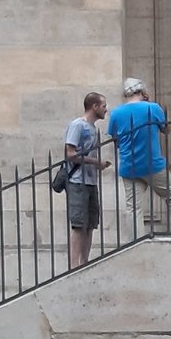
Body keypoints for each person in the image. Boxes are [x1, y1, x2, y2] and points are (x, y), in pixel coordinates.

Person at [108, 78, 171, 239]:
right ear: (142, 92)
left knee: (133, 207)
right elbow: (166, 130)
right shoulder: (152, 108)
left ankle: (136, 241)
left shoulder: (116, 113)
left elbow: (115, 139)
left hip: (129, 165)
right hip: (152, 163)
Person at [64, 92, 111, 268]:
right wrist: (96, 162)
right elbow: (70, 154)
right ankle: (74, 265)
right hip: (78, 181)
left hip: (91, 181)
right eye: (103, 106)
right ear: (94, 106)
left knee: (90, 224)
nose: (106, 110)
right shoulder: (78, 125)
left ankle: (84, 262)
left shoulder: (93, 128)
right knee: (78, 225)